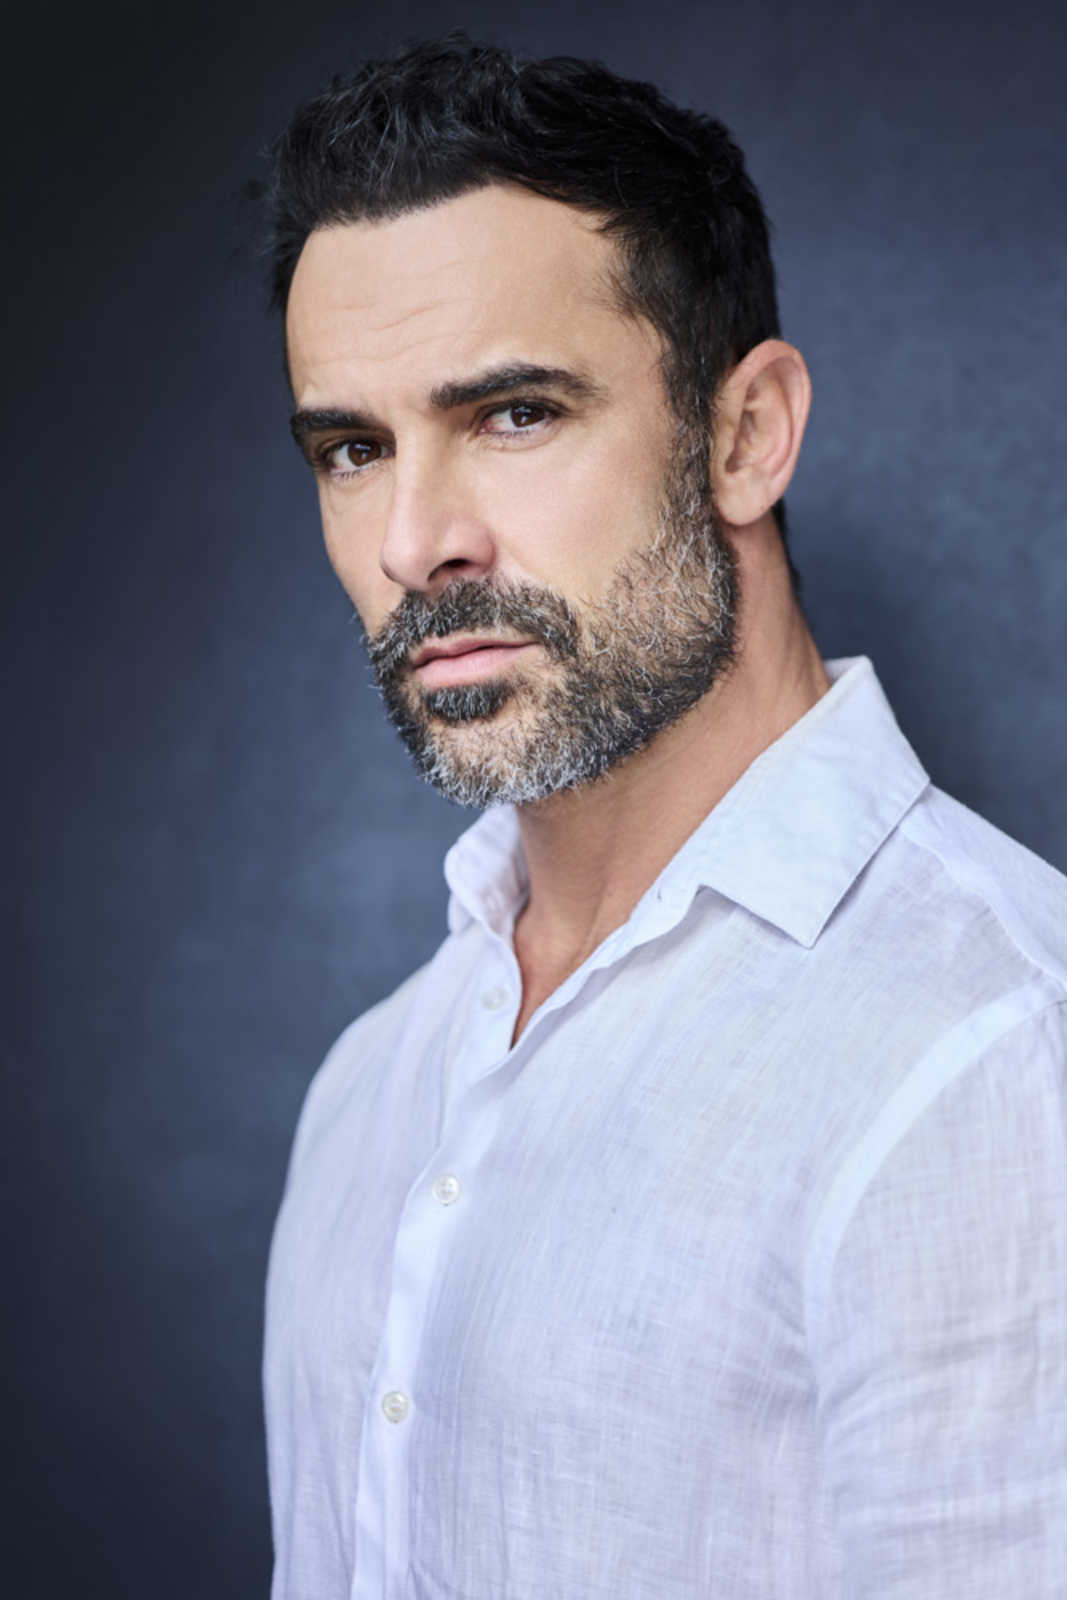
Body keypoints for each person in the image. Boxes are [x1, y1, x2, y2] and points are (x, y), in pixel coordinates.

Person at [261, 37, 1067, 1599]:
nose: (416, 540)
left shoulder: (996, 1065)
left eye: (513, 414)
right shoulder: (371, 1085)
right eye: (353, 449)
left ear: (746, 433)